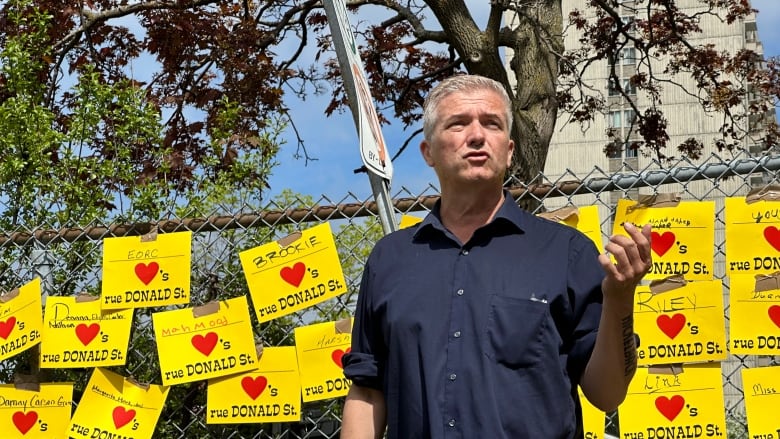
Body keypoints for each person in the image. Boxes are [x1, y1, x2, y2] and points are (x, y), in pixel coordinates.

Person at [341, 74, 652, 438]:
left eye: (491, 124)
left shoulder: (566, 254)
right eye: (457, 124)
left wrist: (620, 299)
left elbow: (608, 394)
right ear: (428, 152)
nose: (476, 136)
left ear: (508, 150)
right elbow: (366, 391)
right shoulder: (390, 260)